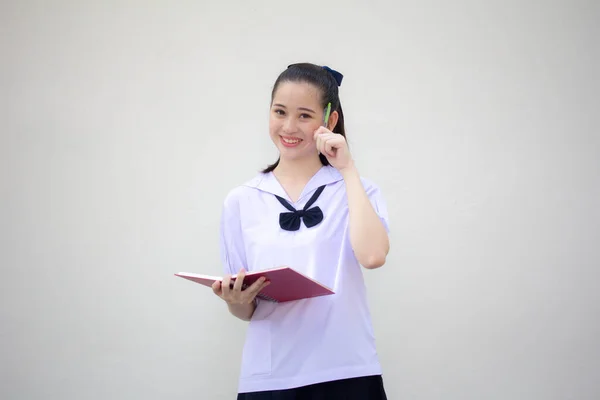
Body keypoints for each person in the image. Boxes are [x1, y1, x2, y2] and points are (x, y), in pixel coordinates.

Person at [211, 62, 390, 399]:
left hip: (347, 370)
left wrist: (347, 168)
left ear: (329, 120)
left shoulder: (357, 189)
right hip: (270, 378)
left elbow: (373, 256)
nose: (289, 126)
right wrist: (235, 301)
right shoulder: (241, 201)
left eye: (305, 115)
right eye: (280, 112)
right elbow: (245, 309)